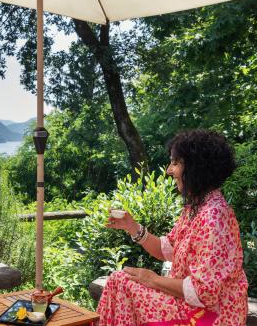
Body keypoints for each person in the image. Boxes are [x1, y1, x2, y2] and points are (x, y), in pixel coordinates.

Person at [97, 129, 248, 325]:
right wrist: (132, 226)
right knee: (120, 280)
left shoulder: (214, 216)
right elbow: (165, 249)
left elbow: (204, 292)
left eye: (175, 163)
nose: (169, 170)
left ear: (196, 168)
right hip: (192, 305)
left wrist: (153, 279)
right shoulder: (196, 208)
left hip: (213, 316)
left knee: (121, 282)